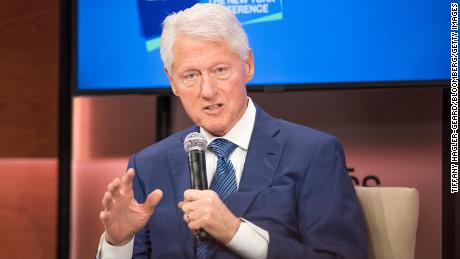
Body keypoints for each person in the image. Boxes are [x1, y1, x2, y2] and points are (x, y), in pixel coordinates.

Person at [96, 3, 368, 259]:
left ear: (247, 65)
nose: (208, 91)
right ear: (172, 81)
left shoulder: (312, 153)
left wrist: (235, 232)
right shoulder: (147, 167)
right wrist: (117, 243)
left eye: (220, 70)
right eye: (191, 75)